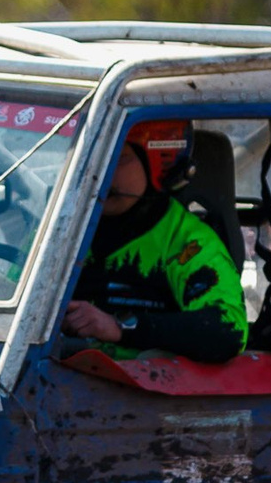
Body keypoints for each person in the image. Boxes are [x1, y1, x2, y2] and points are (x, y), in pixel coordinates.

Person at [61, 119, 247, 364]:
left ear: (157, 163)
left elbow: (229, 329)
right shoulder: (60, 227)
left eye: (118, 157)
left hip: (137, 392)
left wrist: (120, 327)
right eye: (90, 157)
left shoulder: (186, 243)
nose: (100, 172)